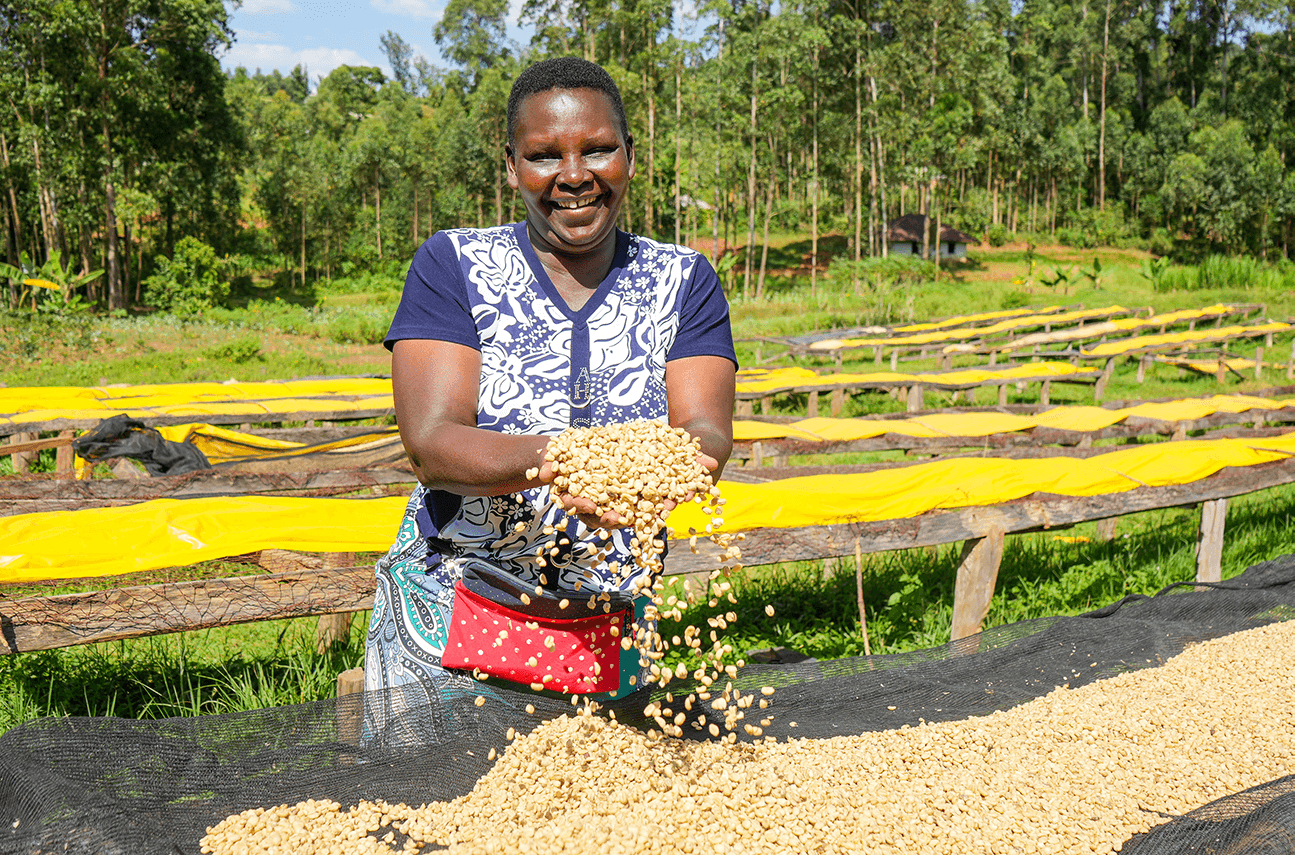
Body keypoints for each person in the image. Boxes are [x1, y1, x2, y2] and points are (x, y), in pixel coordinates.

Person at [365, 57, 736, 705]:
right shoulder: (454, 264)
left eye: (597, 149)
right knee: (441, 804)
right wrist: (570, 462)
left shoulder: (682, 279)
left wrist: (665, 472)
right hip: (459, 613)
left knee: (597, 803)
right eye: (543, 155)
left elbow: (704, 429)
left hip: (609, 617)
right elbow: (431, 441)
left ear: (628, 153)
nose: (573, 176)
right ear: (511, 166)